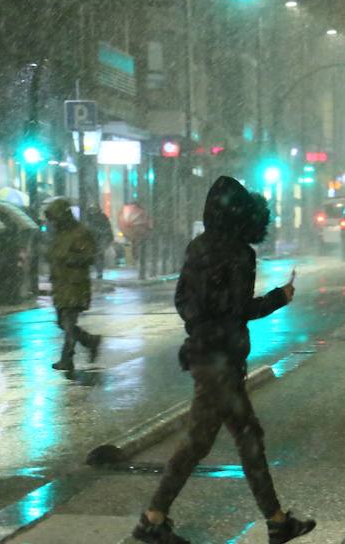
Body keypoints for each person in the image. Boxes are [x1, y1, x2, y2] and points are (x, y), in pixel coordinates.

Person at [131, 176, 316, 544]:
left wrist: (200, 323)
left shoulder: (197, 247)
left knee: (226, 439)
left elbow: (183, 298)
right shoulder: (240, 253)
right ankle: (154, 520)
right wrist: (280, 296)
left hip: (203, 353)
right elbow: (241, 309)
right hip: (222, 361)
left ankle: (275, 521)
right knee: (227, 440)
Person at [45, 198, 102, 371]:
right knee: (62, 323)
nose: (53, 222)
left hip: (75, 285)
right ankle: (90, 341)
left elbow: (90, 256)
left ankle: (67, 358)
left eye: (55, 218)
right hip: (60, 285)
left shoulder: (80, 233)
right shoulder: (59, 235)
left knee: (69, 323)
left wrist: (71, 260)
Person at [83, 204, 114, 279]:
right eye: (92, 209)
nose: (93, 211)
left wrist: (105, 237)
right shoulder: (89, 218)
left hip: (99, 240)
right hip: (92, 240)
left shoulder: (102, 217)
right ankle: (96, 271)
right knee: (93, 256)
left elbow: (107, 228)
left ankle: (99, 272)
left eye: (94, 209)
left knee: (98, 256)